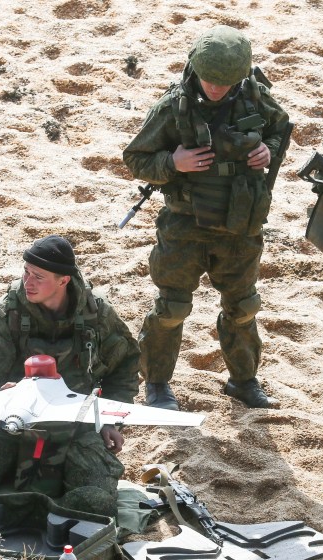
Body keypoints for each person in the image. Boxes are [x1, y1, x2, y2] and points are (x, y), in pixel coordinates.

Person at [122, 25, 290, 411]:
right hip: (185, 226)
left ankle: (244, 381)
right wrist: (173, 162)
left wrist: (269, 149)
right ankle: (157, 384)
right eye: (210, 80)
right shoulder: (172, 107)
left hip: (239, 225)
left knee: (243, 306)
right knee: (172, 307)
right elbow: (136, 158)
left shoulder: (254, 98)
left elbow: (281, 128)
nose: (216, 88)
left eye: (225, 82)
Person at [0, 235, 140, 517]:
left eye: (38, 277)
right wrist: (0, 395)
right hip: (12, 423)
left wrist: (109, 419)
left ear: (63, 280)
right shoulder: (6, 314)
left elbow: (126, 366)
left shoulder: (97, 316)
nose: (27, 282)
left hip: (76, 423)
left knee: (94, 503)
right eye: (26, 272)